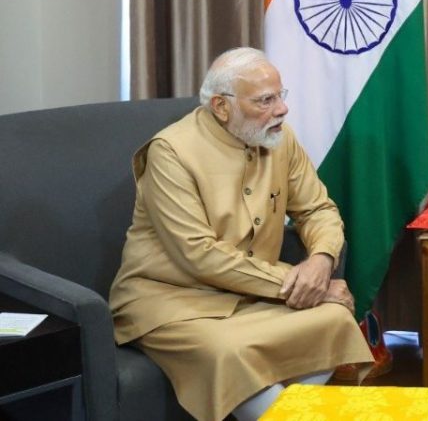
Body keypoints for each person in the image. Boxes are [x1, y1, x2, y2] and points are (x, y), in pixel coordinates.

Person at [109, 47, 373, 421]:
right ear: (221, 106)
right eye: (265, 100)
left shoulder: (279, 137)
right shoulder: (171, 153)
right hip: (171, 301)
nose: (281, 110)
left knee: (333, 319)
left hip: (250, 292)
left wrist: (320, 261)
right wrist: (296, 282)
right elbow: (199, 255)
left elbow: (317, 209)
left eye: (281, 96)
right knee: (229, 353)